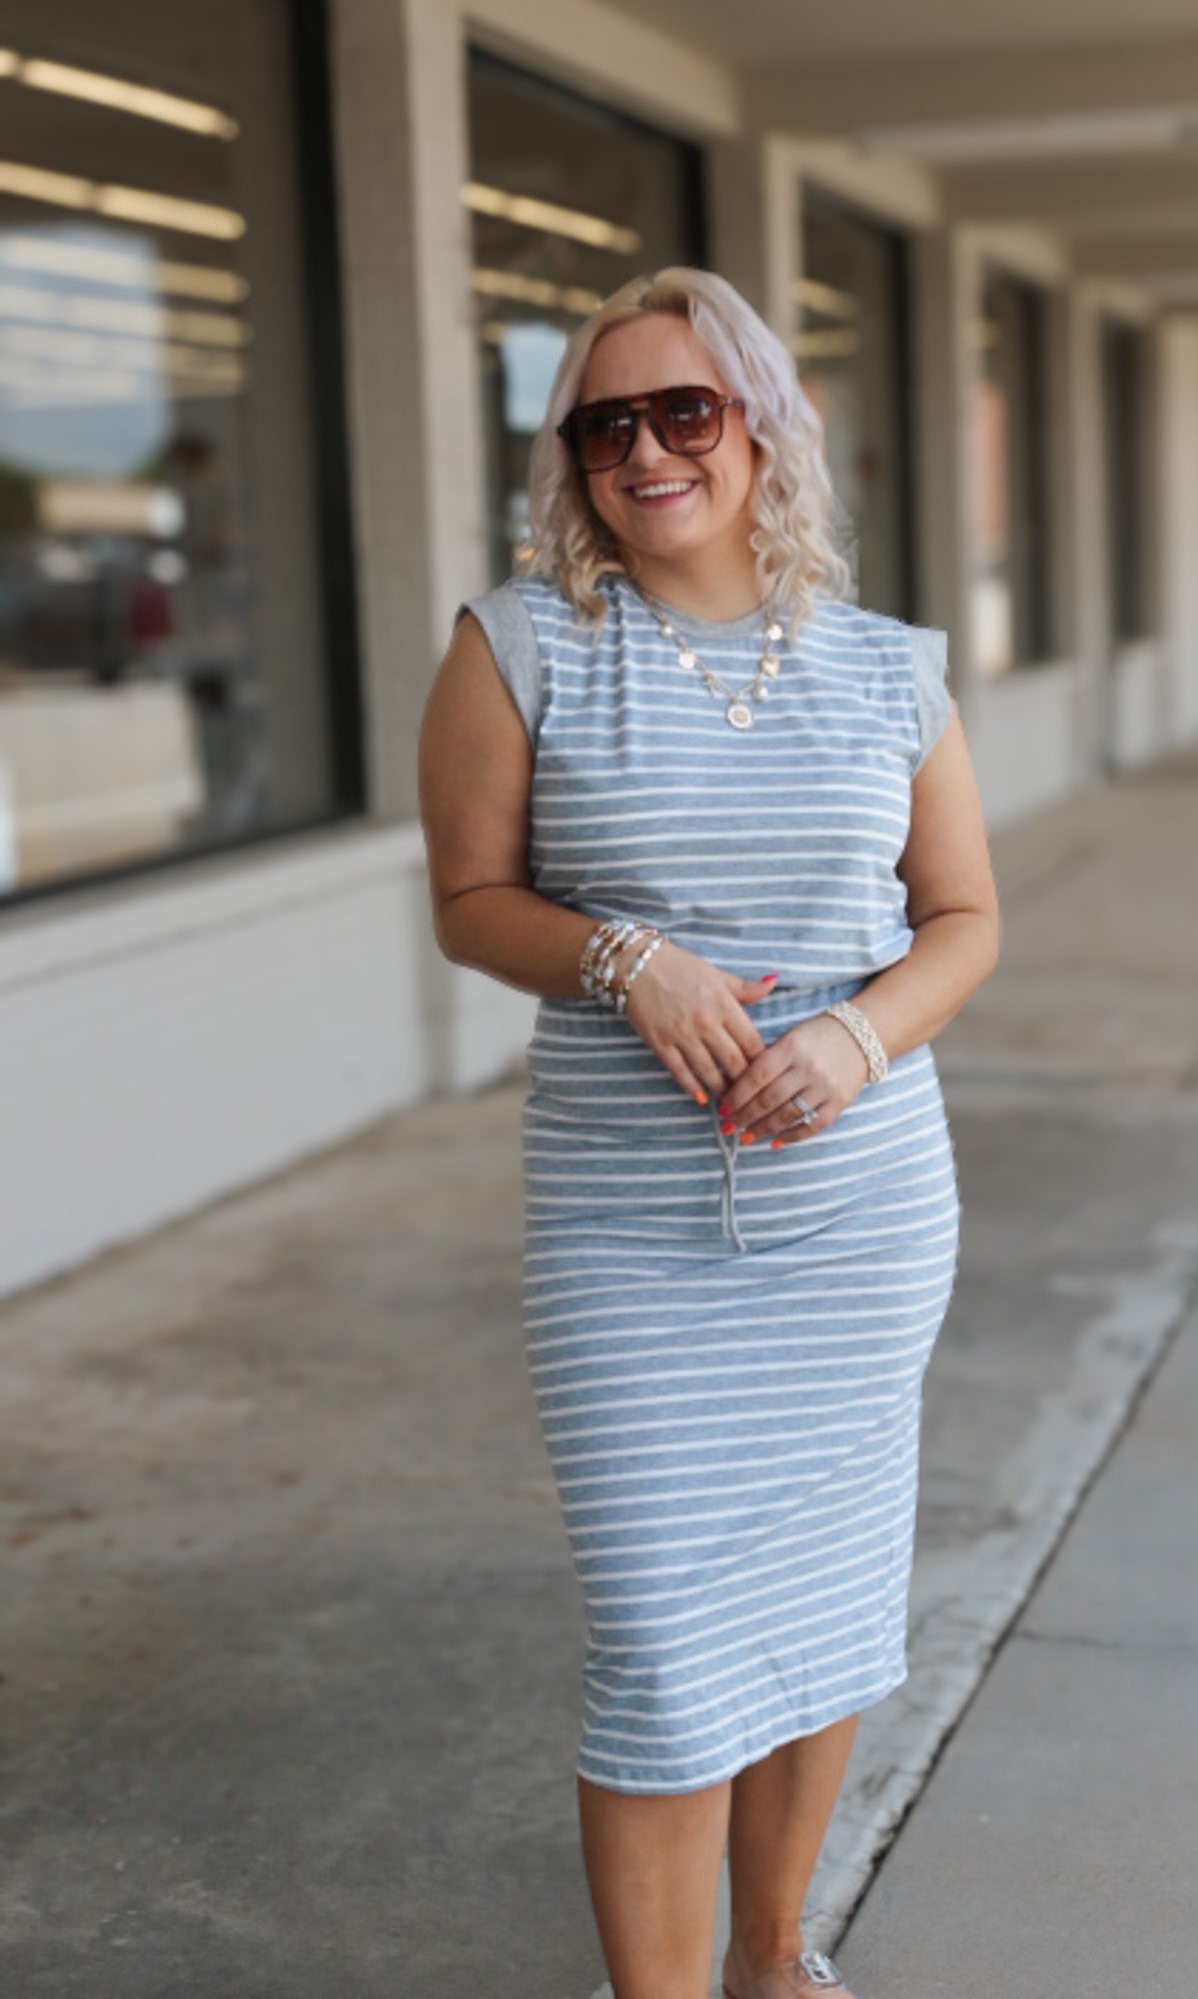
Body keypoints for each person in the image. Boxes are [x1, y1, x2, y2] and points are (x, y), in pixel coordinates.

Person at [418, 266, 999, 1999]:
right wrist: (627, 959)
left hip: (856, 1212)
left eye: (684, 410)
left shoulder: (891, 668)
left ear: (761, 425)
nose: (645, 451)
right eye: (604, 424)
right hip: (627, 1228)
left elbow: (963, 919)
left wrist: (853, 1036)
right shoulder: (517, 647)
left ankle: (769, 1957)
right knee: (663, 1645)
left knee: (824, 1602)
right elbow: (469, 901)